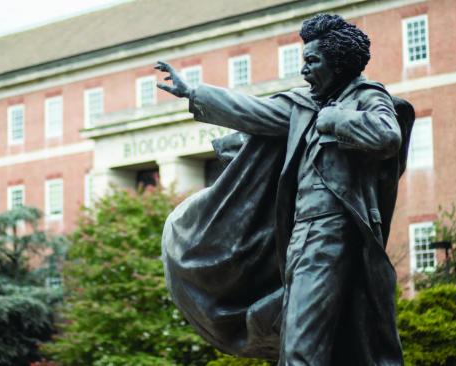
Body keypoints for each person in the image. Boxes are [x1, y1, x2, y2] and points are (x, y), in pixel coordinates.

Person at [157, 14, 408, 365]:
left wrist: (337, 120)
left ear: (338, 63)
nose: (303, 71)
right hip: (296, 237)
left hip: (333, 234)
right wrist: (193, 92)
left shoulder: (365, 97)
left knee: (301, 345)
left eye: (312, 62)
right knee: (303, 337)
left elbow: (387, 135)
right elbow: (253, 111)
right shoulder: (303, 107)